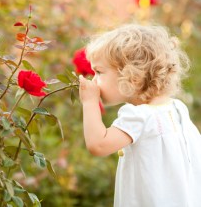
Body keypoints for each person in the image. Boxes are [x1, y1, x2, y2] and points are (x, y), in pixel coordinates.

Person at [78, 24, 201, 207]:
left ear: (131, 75)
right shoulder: (177, 109)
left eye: (99, 72)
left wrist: (89, 103)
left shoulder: (140, 117)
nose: (94, 80)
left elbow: (98, 144)